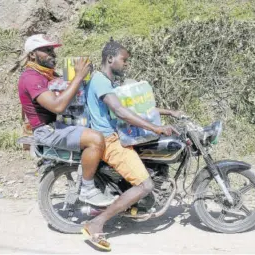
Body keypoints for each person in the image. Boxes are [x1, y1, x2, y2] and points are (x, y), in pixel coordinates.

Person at [84, 39, 184, 250]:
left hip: (117, 135)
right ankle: (97, 223)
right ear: (110, 59)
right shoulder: (101, 82)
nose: (126, 64)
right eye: (124, 60)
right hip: (108, 140)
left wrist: (169, 113)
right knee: (145, 185)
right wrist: (155, 128)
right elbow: (121, 112)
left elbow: (136, 107)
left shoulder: (109, 82)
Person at [18, 34, 116, 207]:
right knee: (95, 139)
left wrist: (83, 78)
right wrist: (78, 76)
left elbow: (68, 93)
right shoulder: (31, 77)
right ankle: (87, 189)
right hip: (48, 130)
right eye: (47, 50)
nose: (52, 54)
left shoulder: (46, 74)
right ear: (32, 55)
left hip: (60, 124)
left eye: (53, 50)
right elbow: (57, 106)